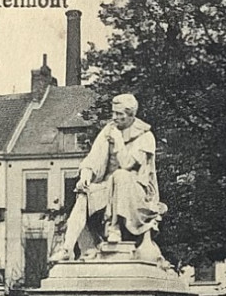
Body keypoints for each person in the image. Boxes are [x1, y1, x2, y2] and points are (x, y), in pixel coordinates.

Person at [52, 93, 168, 265]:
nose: (114, 117)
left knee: (121, 175)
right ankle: (67, 248)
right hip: (108, 188)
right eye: (113, 113)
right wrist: (86, 175)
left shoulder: (145, 136)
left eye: (119, 114)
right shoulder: (109, 130)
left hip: (136, 192)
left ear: (131, 114)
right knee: (84, 194)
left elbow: (127, 164)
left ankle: (114, 229)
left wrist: (119, 142)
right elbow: (94, 158)